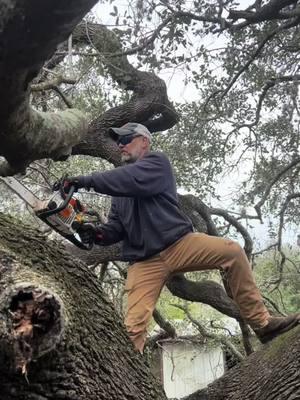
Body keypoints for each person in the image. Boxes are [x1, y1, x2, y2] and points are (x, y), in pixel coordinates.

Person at [64, 122, 300, 353]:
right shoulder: (118, 191)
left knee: (232, 251)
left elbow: (132, 179)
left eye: (125, 140)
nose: (121, 146)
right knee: (132, 329)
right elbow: (115, 229)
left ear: (144, 141)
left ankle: (263, 324)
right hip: (144, 263)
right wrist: (96, 233)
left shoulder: (157, 163)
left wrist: (84, 180)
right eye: (118, 142)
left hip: (180, 245)